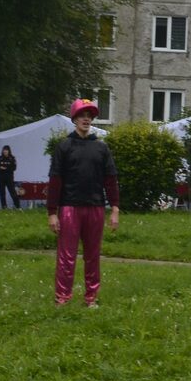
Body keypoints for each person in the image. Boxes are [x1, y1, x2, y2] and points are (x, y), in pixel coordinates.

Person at [47, 100, 120, 307]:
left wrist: (114, 209)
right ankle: (62, 297)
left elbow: (110, 180)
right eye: (82, 115)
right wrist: (52, 212)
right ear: (74, 119)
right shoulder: (64, 146)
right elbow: (55, 180)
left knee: (92, 256)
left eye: (89, 115)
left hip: (95, 208)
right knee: (66, 256)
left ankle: (91, 298)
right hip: (69, 208)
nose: (86, 119)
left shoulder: (101, 148)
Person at [0, 145, 20, 209]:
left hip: (9, 178)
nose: (5, 152)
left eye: (6, 151)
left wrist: (5, 168)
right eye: (4, 151)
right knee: (2, 193)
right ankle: (4, 207)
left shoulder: (12, 158)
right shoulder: (0, 158)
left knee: (12, 192)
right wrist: (0, 168)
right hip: (1, 178)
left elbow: (14, 167)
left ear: (9, 151)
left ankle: (17, 206)